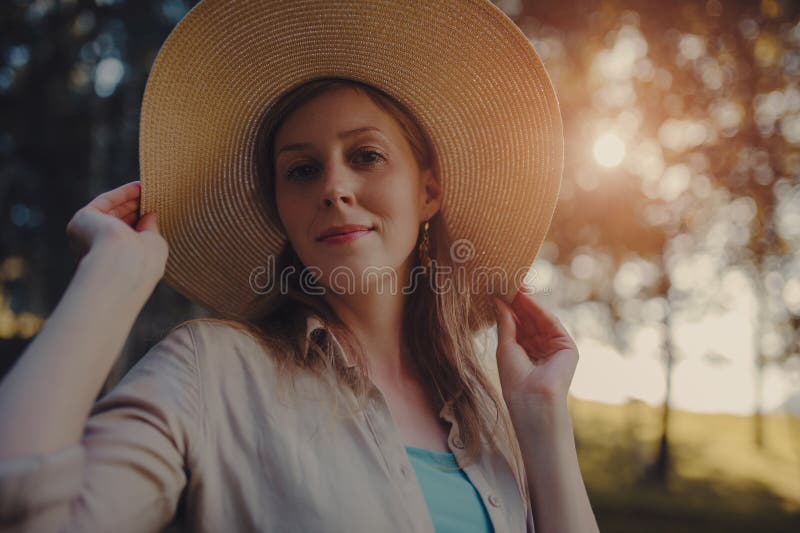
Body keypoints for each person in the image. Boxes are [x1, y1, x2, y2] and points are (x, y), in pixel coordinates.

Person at [0, 1, 599, 532]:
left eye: (365, 155)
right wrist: (108, 277)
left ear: (429, 192)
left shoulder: (490, 409)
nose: (335, 187)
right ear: (281, 209)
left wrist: (543, 422)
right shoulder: (210, 373)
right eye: (302, 170)